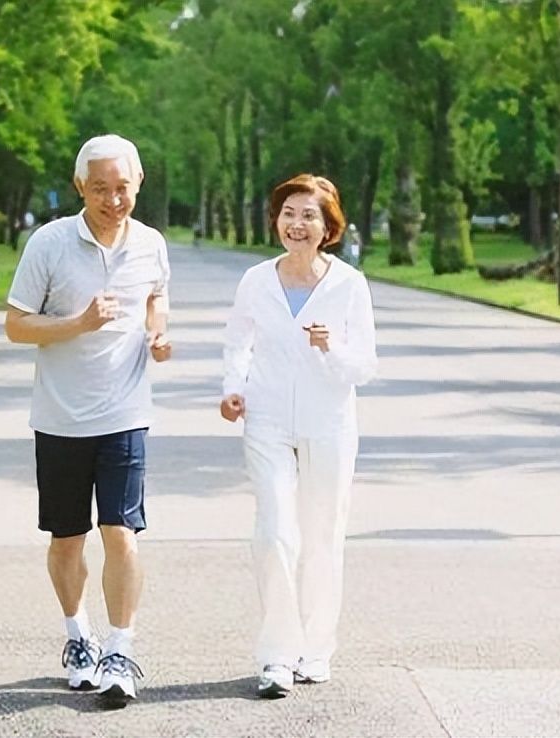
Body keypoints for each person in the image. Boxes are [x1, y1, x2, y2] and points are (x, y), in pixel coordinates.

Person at [4, 134, 172, 703]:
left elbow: (156, 297)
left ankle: (121, 649)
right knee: (67, 539)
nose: (113, 199)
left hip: (125, 414)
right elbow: (17, 325)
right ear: (80, 187)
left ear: (138, 183)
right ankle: (79, 634)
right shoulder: (48, 244)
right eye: (100, 188)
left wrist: (158, 332)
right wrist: (78, 323)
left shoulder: (150, 244)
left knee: (121, 532)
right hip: (60, 417)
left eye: (122, 187)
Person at [220, 174, 377, 699]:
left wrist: (330, 348)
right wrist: (233, 389)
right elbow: (238, 342)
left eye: (309, 215)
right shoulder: (256, 280)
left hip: (328, 424)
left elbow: (364, 367)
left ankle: (316, 649)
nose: (297, 223)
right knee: (274, 534)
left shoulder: (348, 285)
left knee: (322, 537)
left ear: (328, 227)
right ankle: (276, 656)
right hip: (265, 420)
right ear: (277, 221)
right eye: (289, 213)